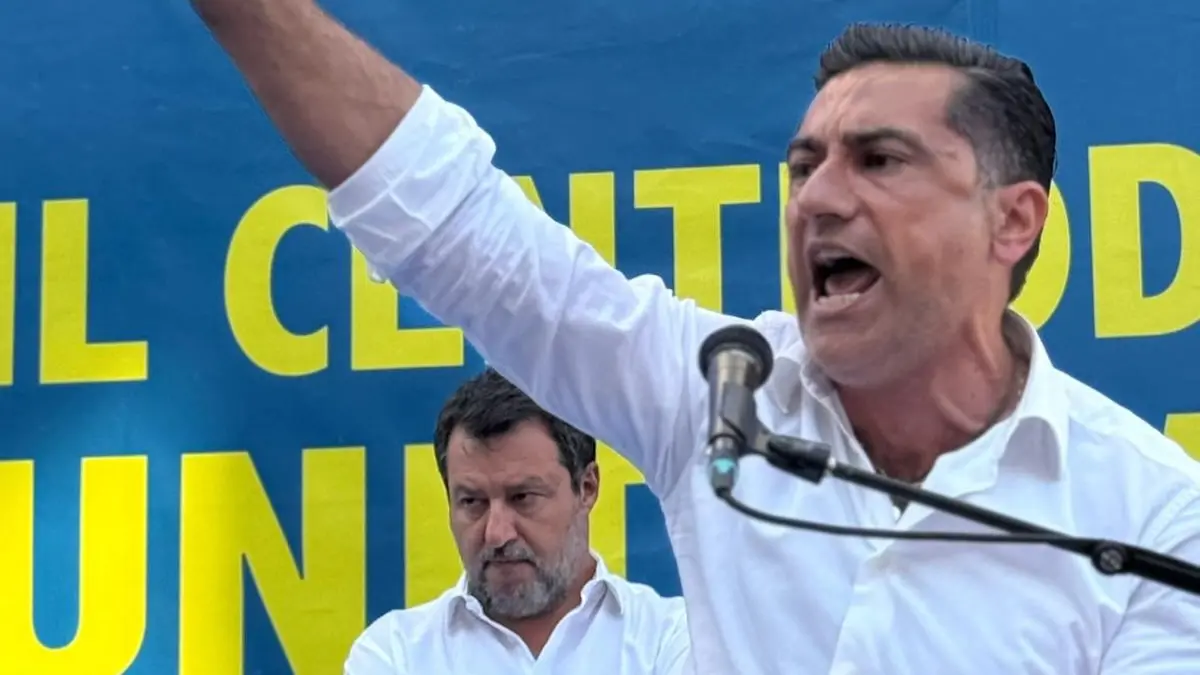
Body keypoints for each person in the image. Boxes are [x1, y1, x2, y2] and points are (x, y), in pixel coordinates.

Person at [188, 1, 1200, 672]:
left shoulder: (1153, 519)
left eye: (879, 160)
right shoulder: (721, 393)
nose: (819, 199)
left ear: (1012, 221)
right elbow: (467, 237)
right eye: (804, 167)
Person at [343, 368, 691, 674]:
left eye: (523, 497)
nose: (497, 534)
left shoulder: (670, 640)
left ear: (587, 488)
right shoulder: (395, 653)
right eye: (472, 502)